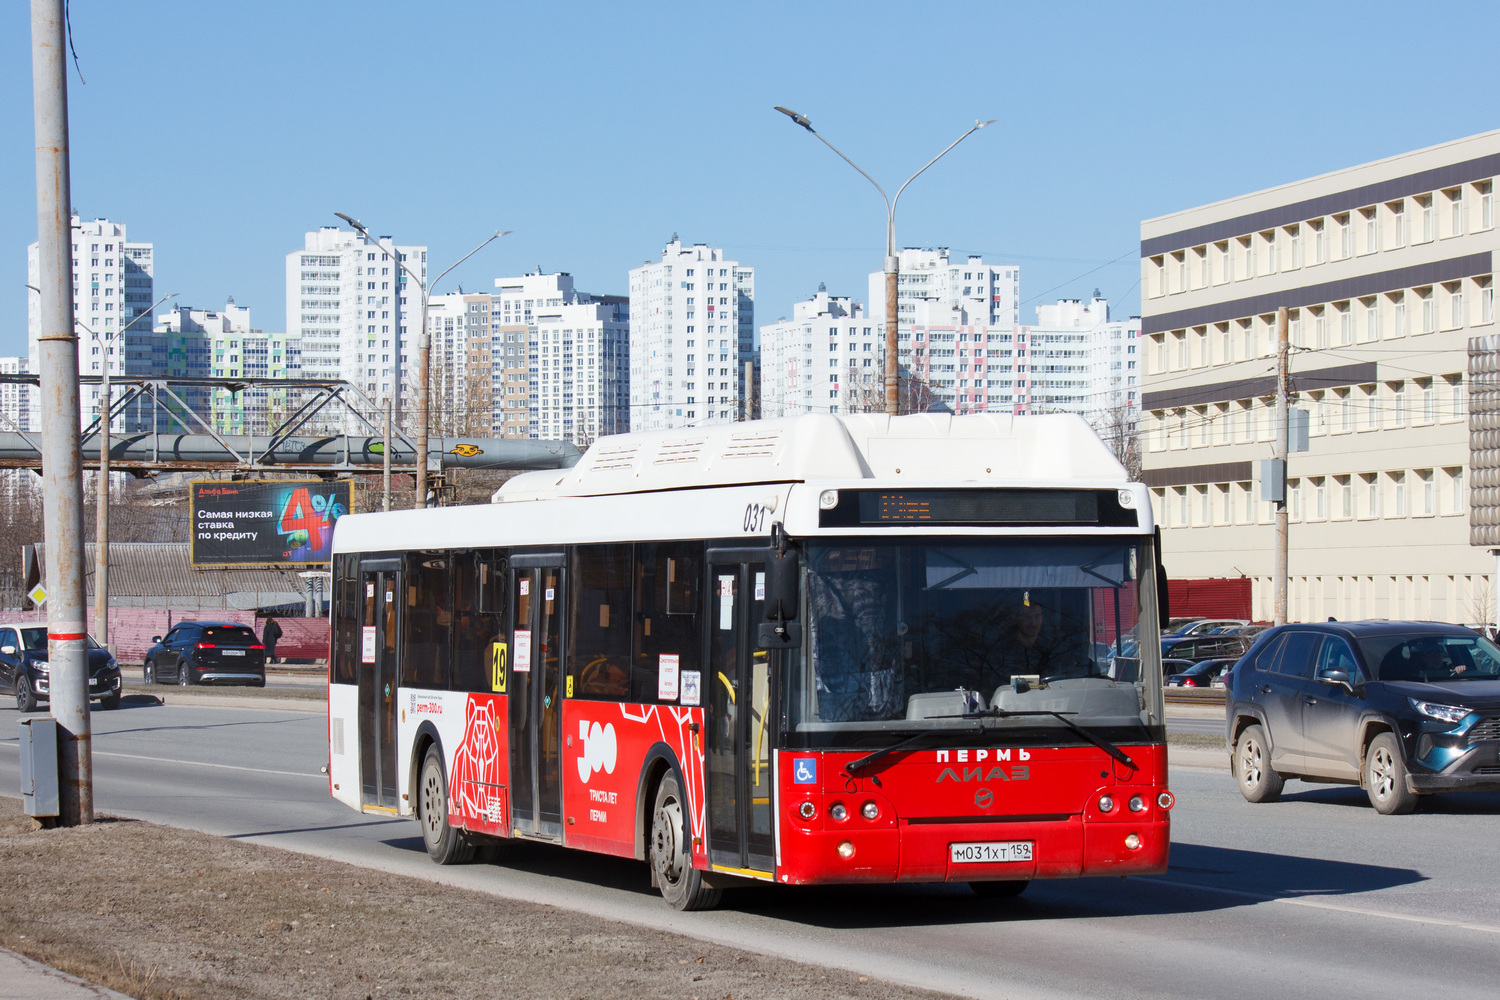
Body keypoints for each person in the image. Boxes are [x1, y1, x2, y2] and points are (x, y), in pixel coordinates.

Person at [992, 591, 1091, 680]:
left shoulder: (1055, 649)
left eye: (1037, 617)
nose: (1033, 623)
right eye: (1027, 617)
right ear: (1015, 619)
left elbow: (1069, 675)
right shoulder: (1002, 651)